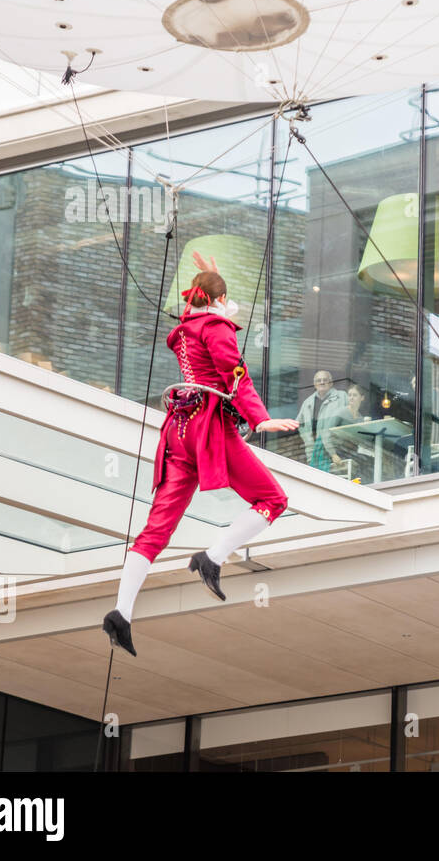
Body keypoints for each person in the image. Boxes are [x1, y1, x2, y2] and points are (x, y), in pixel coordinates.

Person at [102, 252, 299, 656]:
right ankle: (212, 557)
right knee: (273, 500)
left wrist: (215, 283)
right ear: (220, 299)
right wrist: (259, 420)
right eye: (227, 299)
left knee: (156, 528)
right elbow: (235, 373)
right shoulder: (217, 326)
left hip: (178, 429)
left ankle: (121, 612)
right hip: (209, 427)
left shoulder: (190, 328)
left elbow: (211, 345)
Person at [295, 371, 352, 472]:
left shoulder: (341, 396)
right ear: (315, 384)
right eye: (318, 380)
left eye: (325, 380)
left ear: (331, 383)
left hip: (337, 447)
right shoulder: (308, 402)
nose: (322, 382)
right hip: (314, 450)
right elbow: (299, 424)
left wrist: (342, 437)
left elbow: (350, 417)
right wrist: (307, 439)